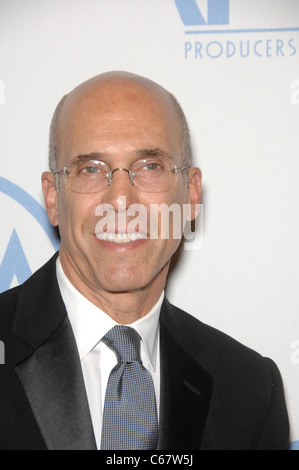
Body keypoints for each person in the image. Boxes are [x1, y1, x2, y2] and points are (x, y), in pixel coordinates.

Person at [0, 71, 289, 450]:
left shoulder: (250, 388)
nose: (121, 200)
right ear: (53, 198)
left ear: (190, 194)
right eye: (91, 169)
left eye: (149, 166)